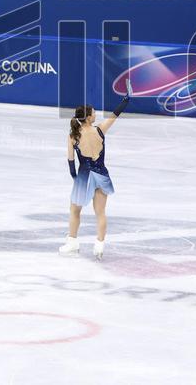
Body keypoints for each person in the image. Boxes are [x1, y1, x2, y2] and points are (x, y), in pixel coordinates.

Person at [60, 81, 132, 260]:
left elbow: (70, 161)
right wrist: (126, 99)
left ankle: (73, 242)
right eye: (93, 113)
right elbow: (115, 114)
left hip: (84, 176)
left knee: (75, 211)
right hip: (101, 175)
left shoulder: (73, 135)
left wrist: (76, 179)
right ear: (88, 118)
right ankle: (99, 246)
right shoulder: (100, 130)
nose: (96, 114)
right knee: (100, 213)